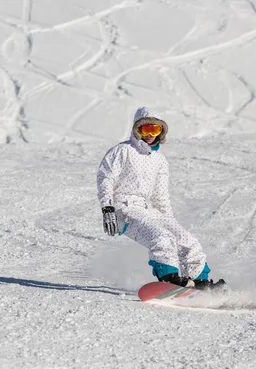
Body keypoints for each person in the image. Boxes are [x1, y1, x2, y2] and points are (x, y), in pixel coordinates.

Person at [96, 106, 225, 290]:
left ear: (161, 132)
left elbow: (160, 195)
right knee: (161, 237)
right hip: (124, 209)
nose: (150, 134)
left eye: (155, 129)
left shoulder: (159, 160)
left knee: (186, 239)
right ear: (136, 129)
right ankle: (168, 278)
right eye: (145, 128)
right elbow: (105, 178)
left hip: (150, 210)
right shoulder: (122, 151)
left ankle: (199, 281)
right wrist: (107, 207)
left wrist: (168, 219)